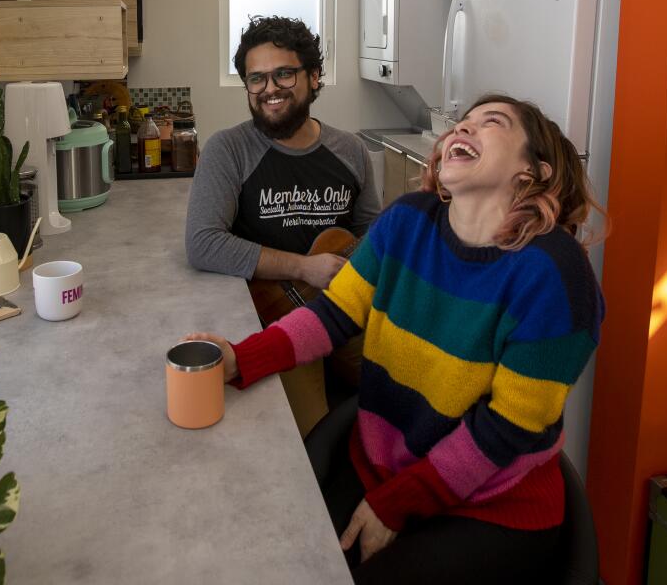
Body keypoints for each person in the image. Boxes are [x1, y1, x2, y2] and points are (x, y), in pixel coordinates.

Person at [185, 94, 605, 582]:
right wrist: (240, 358)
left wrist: (400, 502)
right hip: (384, 472)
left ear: (534, 172)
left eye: (490, 123)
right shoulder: (407, 221)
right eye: (459, 123)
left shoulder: (555, 275)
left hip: (490, 508)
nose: (461, 130)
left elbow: (509, 428)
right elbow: (331, 316)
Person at [185, 15, 380, 435]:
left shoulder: (351, 150)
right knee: (306, 438)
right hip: (273, 319)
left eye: (283, 74)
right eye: (256, 79)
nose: (269, 88)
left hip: (345, 308)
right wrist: (303, 268)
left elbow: (375, 234)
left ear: (313, 77)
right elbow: (203, 243)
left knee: (401, 400)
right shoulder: (228, 149)